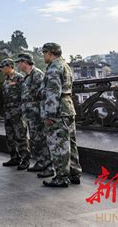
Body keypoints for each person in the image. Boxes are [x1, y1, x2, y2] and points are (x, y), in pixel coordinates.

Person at [40, 43, 82, 188]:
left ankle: (61, 177)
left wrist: (49, 115)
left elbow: (52, 92)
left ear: (50, 53)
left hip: (58, 110)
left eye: (44, 53)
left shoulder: (53, 68)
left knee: (58, 144)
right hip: (68, 107)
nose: (43, 55)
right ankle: (75, 173)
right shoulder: (65, 65)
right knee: (71, 142)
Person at [15, 53, 53, 176]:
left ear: (24, 62)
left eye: (19, 62)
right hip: (30, 114)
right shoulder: (27, 77)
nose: (18, 65)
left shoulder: (37, 74)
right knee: (35, 140)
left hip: (37, 113)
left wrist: (43, 113)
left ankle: (46, 165)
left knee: (41, 139)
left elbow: (42, 95)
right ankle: (40, 162)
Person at [0, 58, 30, 170]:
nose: (1, 69)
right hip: (8, 113)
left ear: (9, 66)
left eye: (2, 67)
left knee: (21, 136)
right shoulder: (5, 80)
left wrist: (23, 111)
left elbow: (25, 95)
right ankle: (14, 157)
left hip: (18, 113)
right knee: (10, 137)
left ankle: (25, 160)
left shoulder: (20, 78)